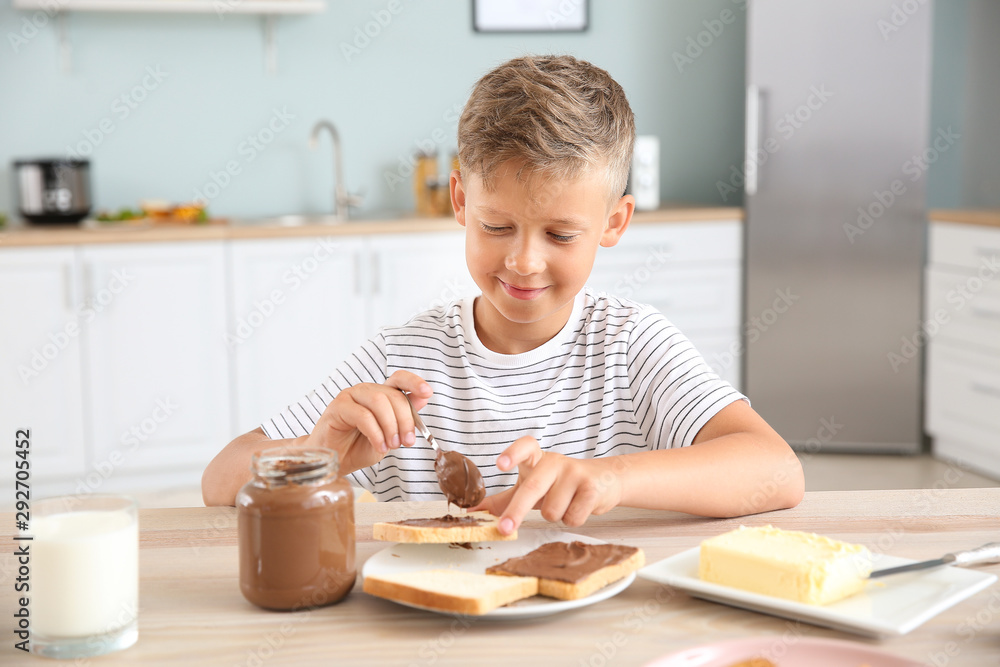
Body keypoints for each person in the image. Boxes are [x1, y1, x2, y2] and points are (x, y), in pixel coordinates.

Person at [202, 55, 804, 533]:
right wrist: (317, 454)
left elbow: (775, 471)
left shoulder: (630, 344)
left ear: (615, 224)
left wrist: (611, 480)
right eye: (497, 227)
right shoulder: (404, 357)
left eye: (561, 234)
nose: (523, 261)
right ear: (461, 201)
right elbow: (220, 478)